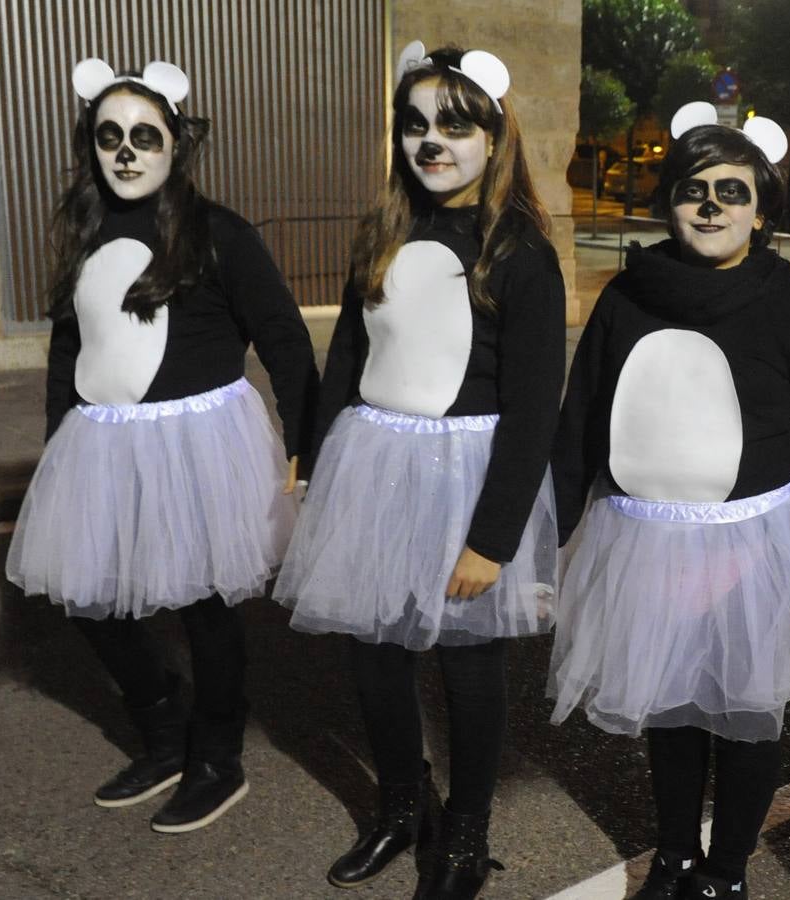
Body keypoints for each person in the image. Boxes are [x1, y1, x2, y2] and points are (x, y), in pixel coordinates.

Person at [549, 101, 790, 900]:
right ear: (668, 202)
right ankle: (673, 857)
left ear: (761, 212)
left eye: (733, 190)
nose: (711, 206)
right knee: (672, 706)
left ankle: (726, 871)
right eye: (694, 189)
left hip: (751, 544)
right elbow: (580, 427)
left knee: (747, 708)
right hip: (644, 538)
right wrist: (540, 547)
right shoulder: (627, 296)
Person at [272, 43, 564, 899]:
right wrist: (320, 471)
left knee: (468, 667)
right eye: (415, 124)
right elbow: (346, 360)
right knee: (372, 654)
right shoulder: (384, 234)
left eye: (454, 124)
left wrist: (493, 539)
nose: (431, 141)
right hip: (374, 463)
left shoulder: (520, 255)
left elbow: (535, 408)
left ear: (493, 136)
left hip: (467, 479)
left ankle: (467, 833)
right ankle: (405, 809)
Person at [5, 57, 317, 833]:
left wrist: (305, 440)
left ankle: (217, 754)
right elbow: (68, 350)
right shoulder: (84, 232)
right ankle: (162, 727)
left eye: (146, 136)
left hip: (199, 439)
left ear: (176, 144)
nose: (127, 151)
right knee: (91, 596)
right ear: (91, 146)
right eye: (109, 136)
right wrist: (57, 450)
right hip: (102, 438)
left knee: (204, 604)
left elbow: (281, 336)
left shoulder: (220, 235)